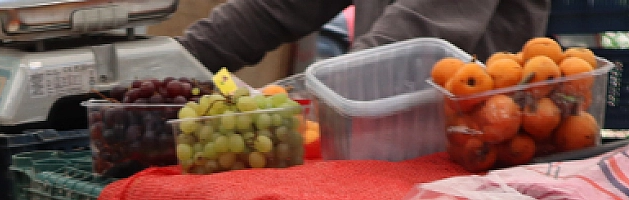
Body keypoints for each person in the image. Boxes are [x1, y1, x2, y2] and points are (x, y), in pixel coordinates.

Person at [179, 0, 549, 76]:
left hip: (469, 153)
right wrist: (175, 61)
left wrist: (306, 96)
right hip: (376, 133)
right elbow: (270, 9)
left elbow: (410, 34)